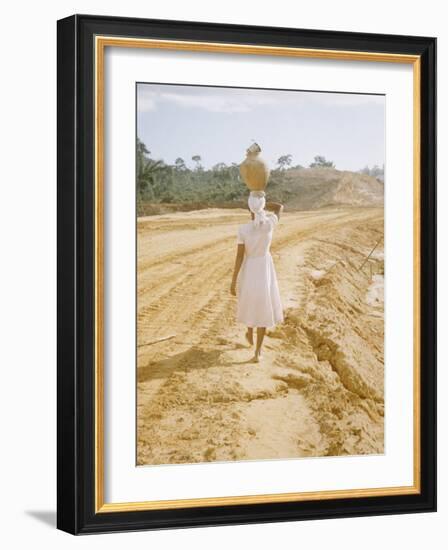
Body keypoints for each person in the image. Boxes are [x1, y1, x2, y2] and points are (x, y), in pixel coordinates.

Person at [230, 191, 284, 362]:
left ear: (249, 207)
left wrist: (233, 280)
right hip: (265, 268)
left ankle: (249, 331)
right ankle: (258, 352)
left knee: (251, 300)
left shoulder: (243, 230)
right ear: (261, 205)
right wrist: (263, 204)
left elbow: (239, 257)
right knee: (263, 305)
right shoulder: (269, 224)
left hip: (250, 267)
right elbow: (279, 207)